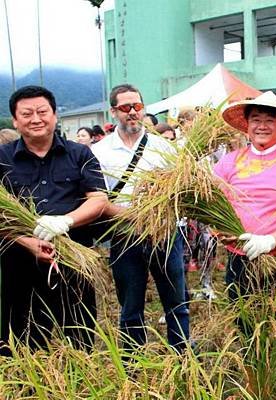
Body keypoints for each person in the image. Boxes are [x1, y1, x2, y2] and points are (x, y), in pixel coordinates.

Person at [214, 91, 276, 397]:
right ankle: (256, 386)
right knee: (247, 326)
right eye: (255, 119)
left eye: (269, 120)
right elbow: (214, 205)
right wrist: (220, 230)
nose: (261, 126)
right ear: (246, 125)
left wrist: (270, 239)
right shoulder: (228, 164)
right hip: (240, 259)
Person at [0, 85, 107, 353]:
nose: (35, 119)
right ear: (15, 120)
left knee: (80, 337)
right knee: (22, 342)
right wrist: (26, 241)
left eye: (42, 111)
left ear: (54, 115)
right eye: (26, 113)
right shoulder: (2, 158)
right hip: (19, 263)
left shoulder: (79, 153)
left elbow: (98, 199)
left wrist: (66, 221)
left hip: (73, 260)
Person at [92, 83, 189, 352]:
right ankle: (133, 366)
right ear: (114, 112)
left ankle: (182, 358)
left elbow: (180, 192)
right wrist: (133, 216)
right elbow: (97, 198)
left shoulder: (164, 148)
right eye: (125, 108)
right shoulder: (99, 152)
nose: (132, 112)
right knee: (130, 306)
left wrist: (159, 215)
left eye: (137, 106)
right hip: (124, 236)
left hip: (164, 235)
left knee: (176, 302)